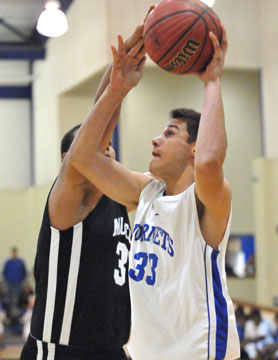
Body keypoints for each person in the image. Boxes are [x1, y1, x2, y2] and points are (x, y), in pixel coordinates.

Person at [67, 12, 240, 360]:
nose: (155, 139)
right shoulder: (146, 192)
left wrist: (211, 81)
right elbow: (81, 156)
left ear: (193, 147)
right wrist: (117, 87)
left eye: (170, 133)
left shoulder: (207, 200)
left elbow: (208, 163)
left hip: (199, 352)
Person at [19, 22, 148, 360]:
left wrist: (119, 74)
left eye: (109, 149)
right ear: (68, 160)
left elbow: (100, 129)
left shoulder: (119, 195)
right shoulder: (71, 198)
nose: (106, 152)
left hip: (111, 348)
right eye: (97, 148)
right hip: (62, 350)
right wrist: (117, 88)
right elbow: (92, 140)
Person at [3, 247, 26, 327]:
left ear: (16, 253)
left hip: (18, 284)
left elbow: (24, 272)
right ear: (11, 253)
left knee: (18, 300)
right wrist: (7, 281)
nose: (14, 254)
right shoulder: (8, 262)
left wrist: (21, 280)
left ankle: (18, 317)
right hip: (10, 284)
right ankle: (9, 317)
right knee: (10, 300)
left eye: (15, 252)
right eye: (13, 252)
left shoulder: (20, 262)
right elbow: (4, 272)